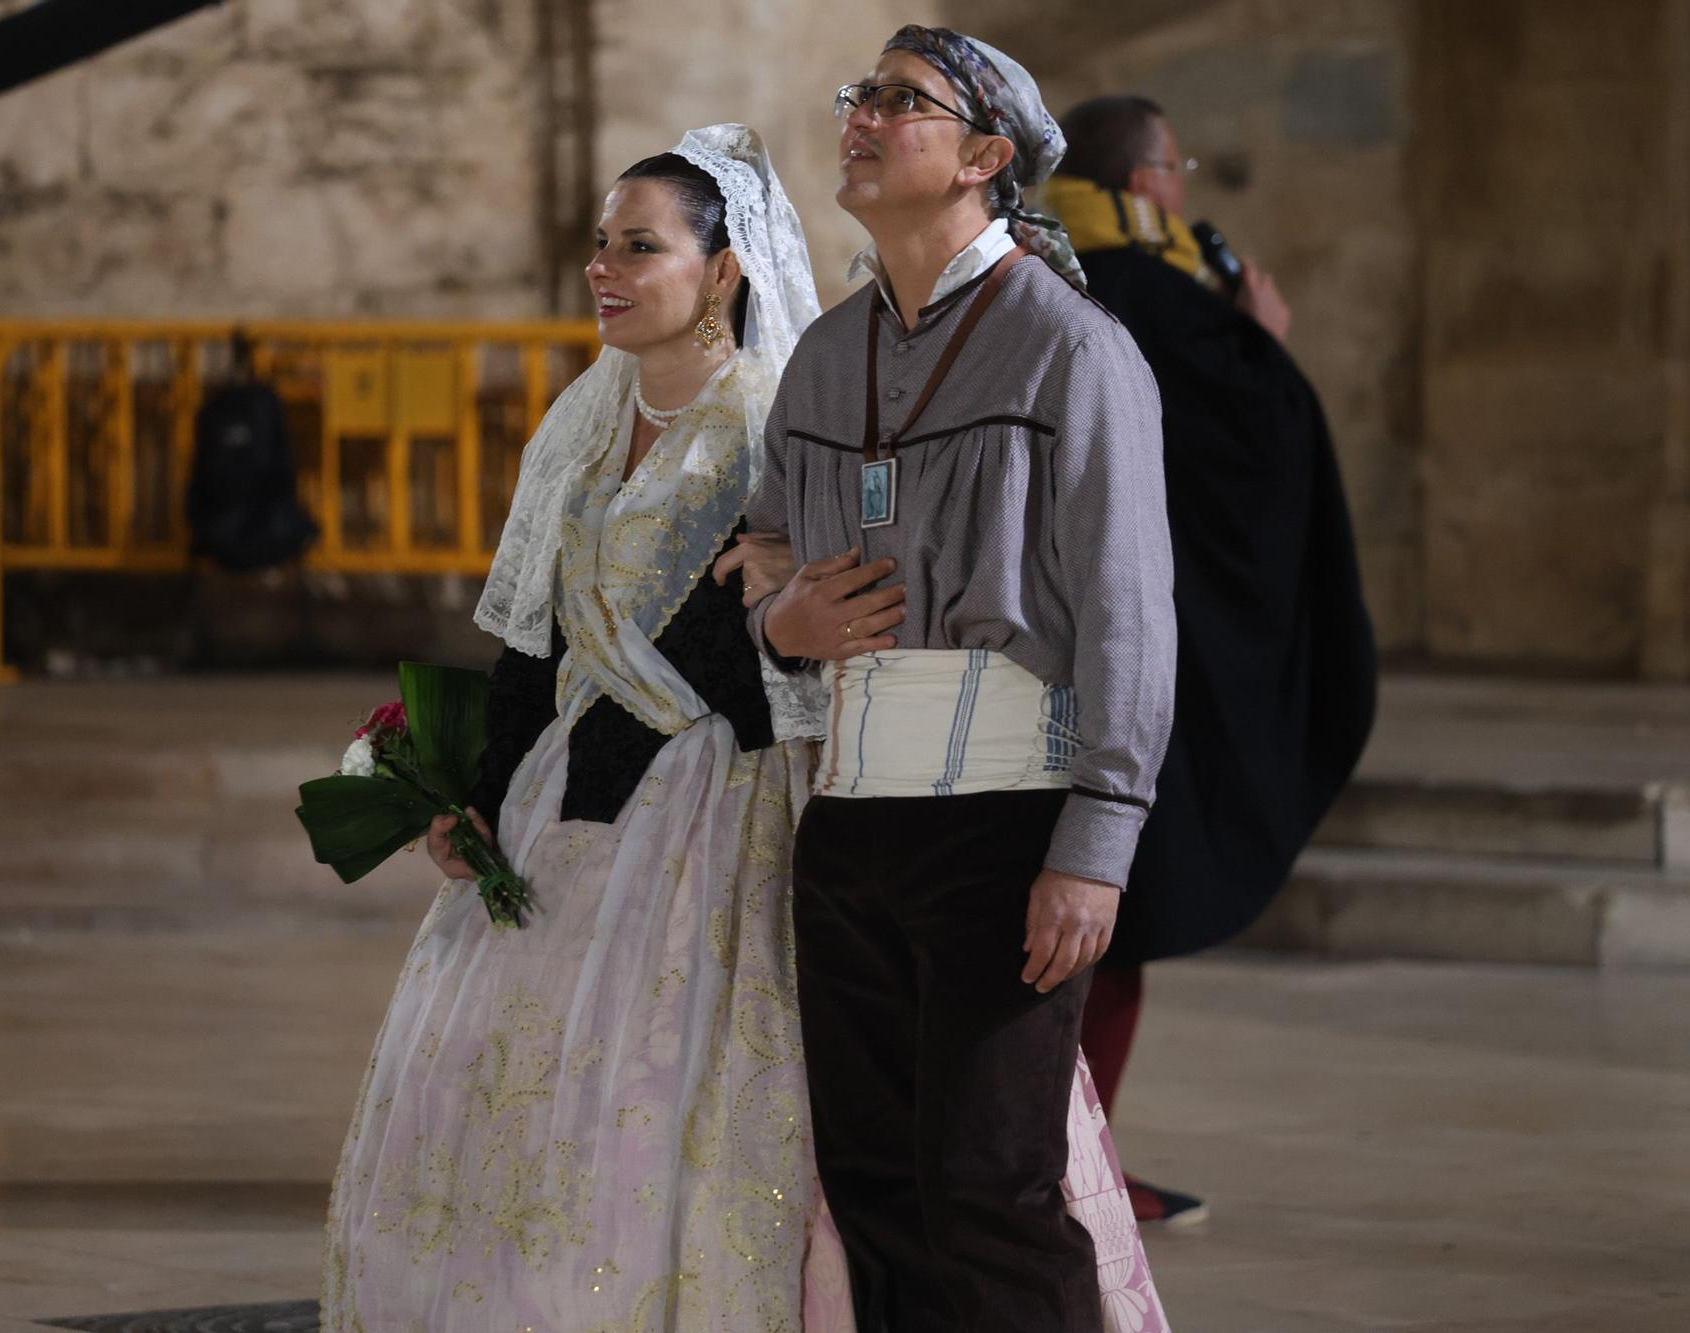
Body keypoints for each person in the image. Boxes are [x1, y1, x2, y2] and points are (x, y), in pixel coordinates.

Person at [322, 125, 1166, 1332]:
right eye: (599, 246)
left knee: (841, 1146)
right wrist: (468, 794)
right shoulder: (577, 420)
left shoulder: (779, 406)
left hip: (733, 802)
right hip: (574, 804)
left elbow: (826, 627)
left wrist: (768, 632)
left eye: (640, 246)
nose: (604, 270)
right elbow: (538, 640)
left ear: (723, 270)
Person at [745, 28, 1176, 1333]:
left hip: (1005, 821)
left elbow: (1130, 614)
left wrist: (1096, 843)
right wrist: (781, 624)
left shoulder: (1070, 349)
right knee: (874, 1189)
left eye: (901, 102)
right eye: (859, 97)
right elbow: (760, 552)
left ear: (988, 156)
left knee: (990, 1190)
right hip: (851, 820)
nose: (863, 118)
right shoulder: (826, 354)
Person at [1041, 96, 1377, 1226]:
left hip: (1024, 645)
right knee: (1100, 924)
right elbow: (1259, 463)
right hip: (1127, 652)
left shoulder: (1030, 281)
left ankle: (1064, 1164)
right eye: (1172, 170)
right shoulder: (1160, 299)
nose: (1180, 191)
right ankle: (1065, 1171)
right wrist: (1262, 346)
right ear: (1146, 183)